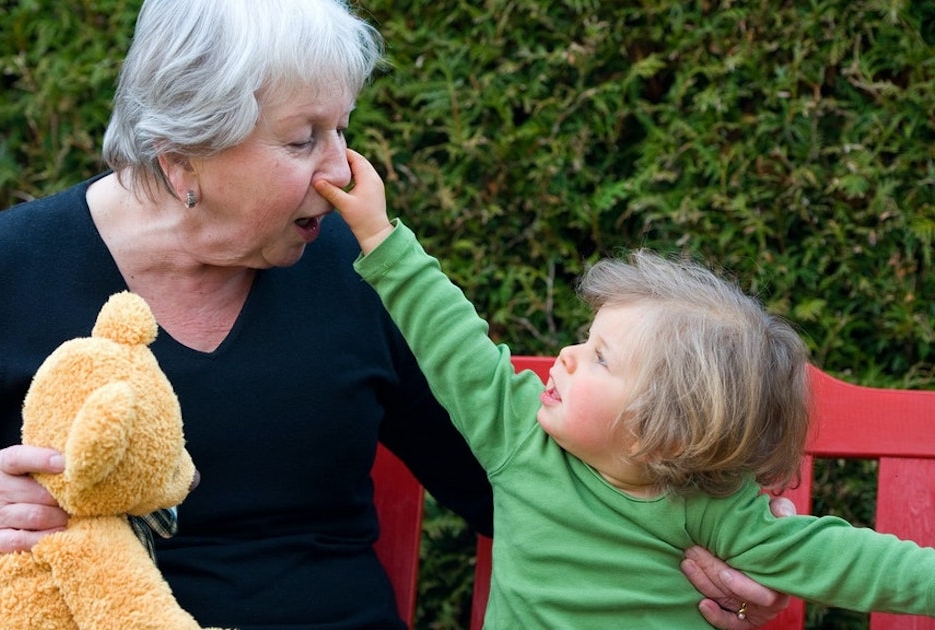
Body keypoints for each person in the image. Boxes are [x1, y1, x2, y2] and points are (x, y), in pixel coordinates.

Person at [0, 1, 794, 629]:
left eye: (341, 130)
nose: (342, 171)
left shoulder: (352, 274)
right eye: (303, 138)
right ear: (180, 156)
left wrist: (701, 540)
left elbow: (514, 484)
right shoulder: (1, 277)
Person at [315, 148, 935, 628]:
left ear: (667, 430)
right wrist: (378, 233)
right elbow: (451, 337)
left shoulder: (715, 510)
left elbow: (856, 563)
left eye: (600, 358)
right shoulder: (518, 434)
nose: (566, 356)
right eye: (586, 340)